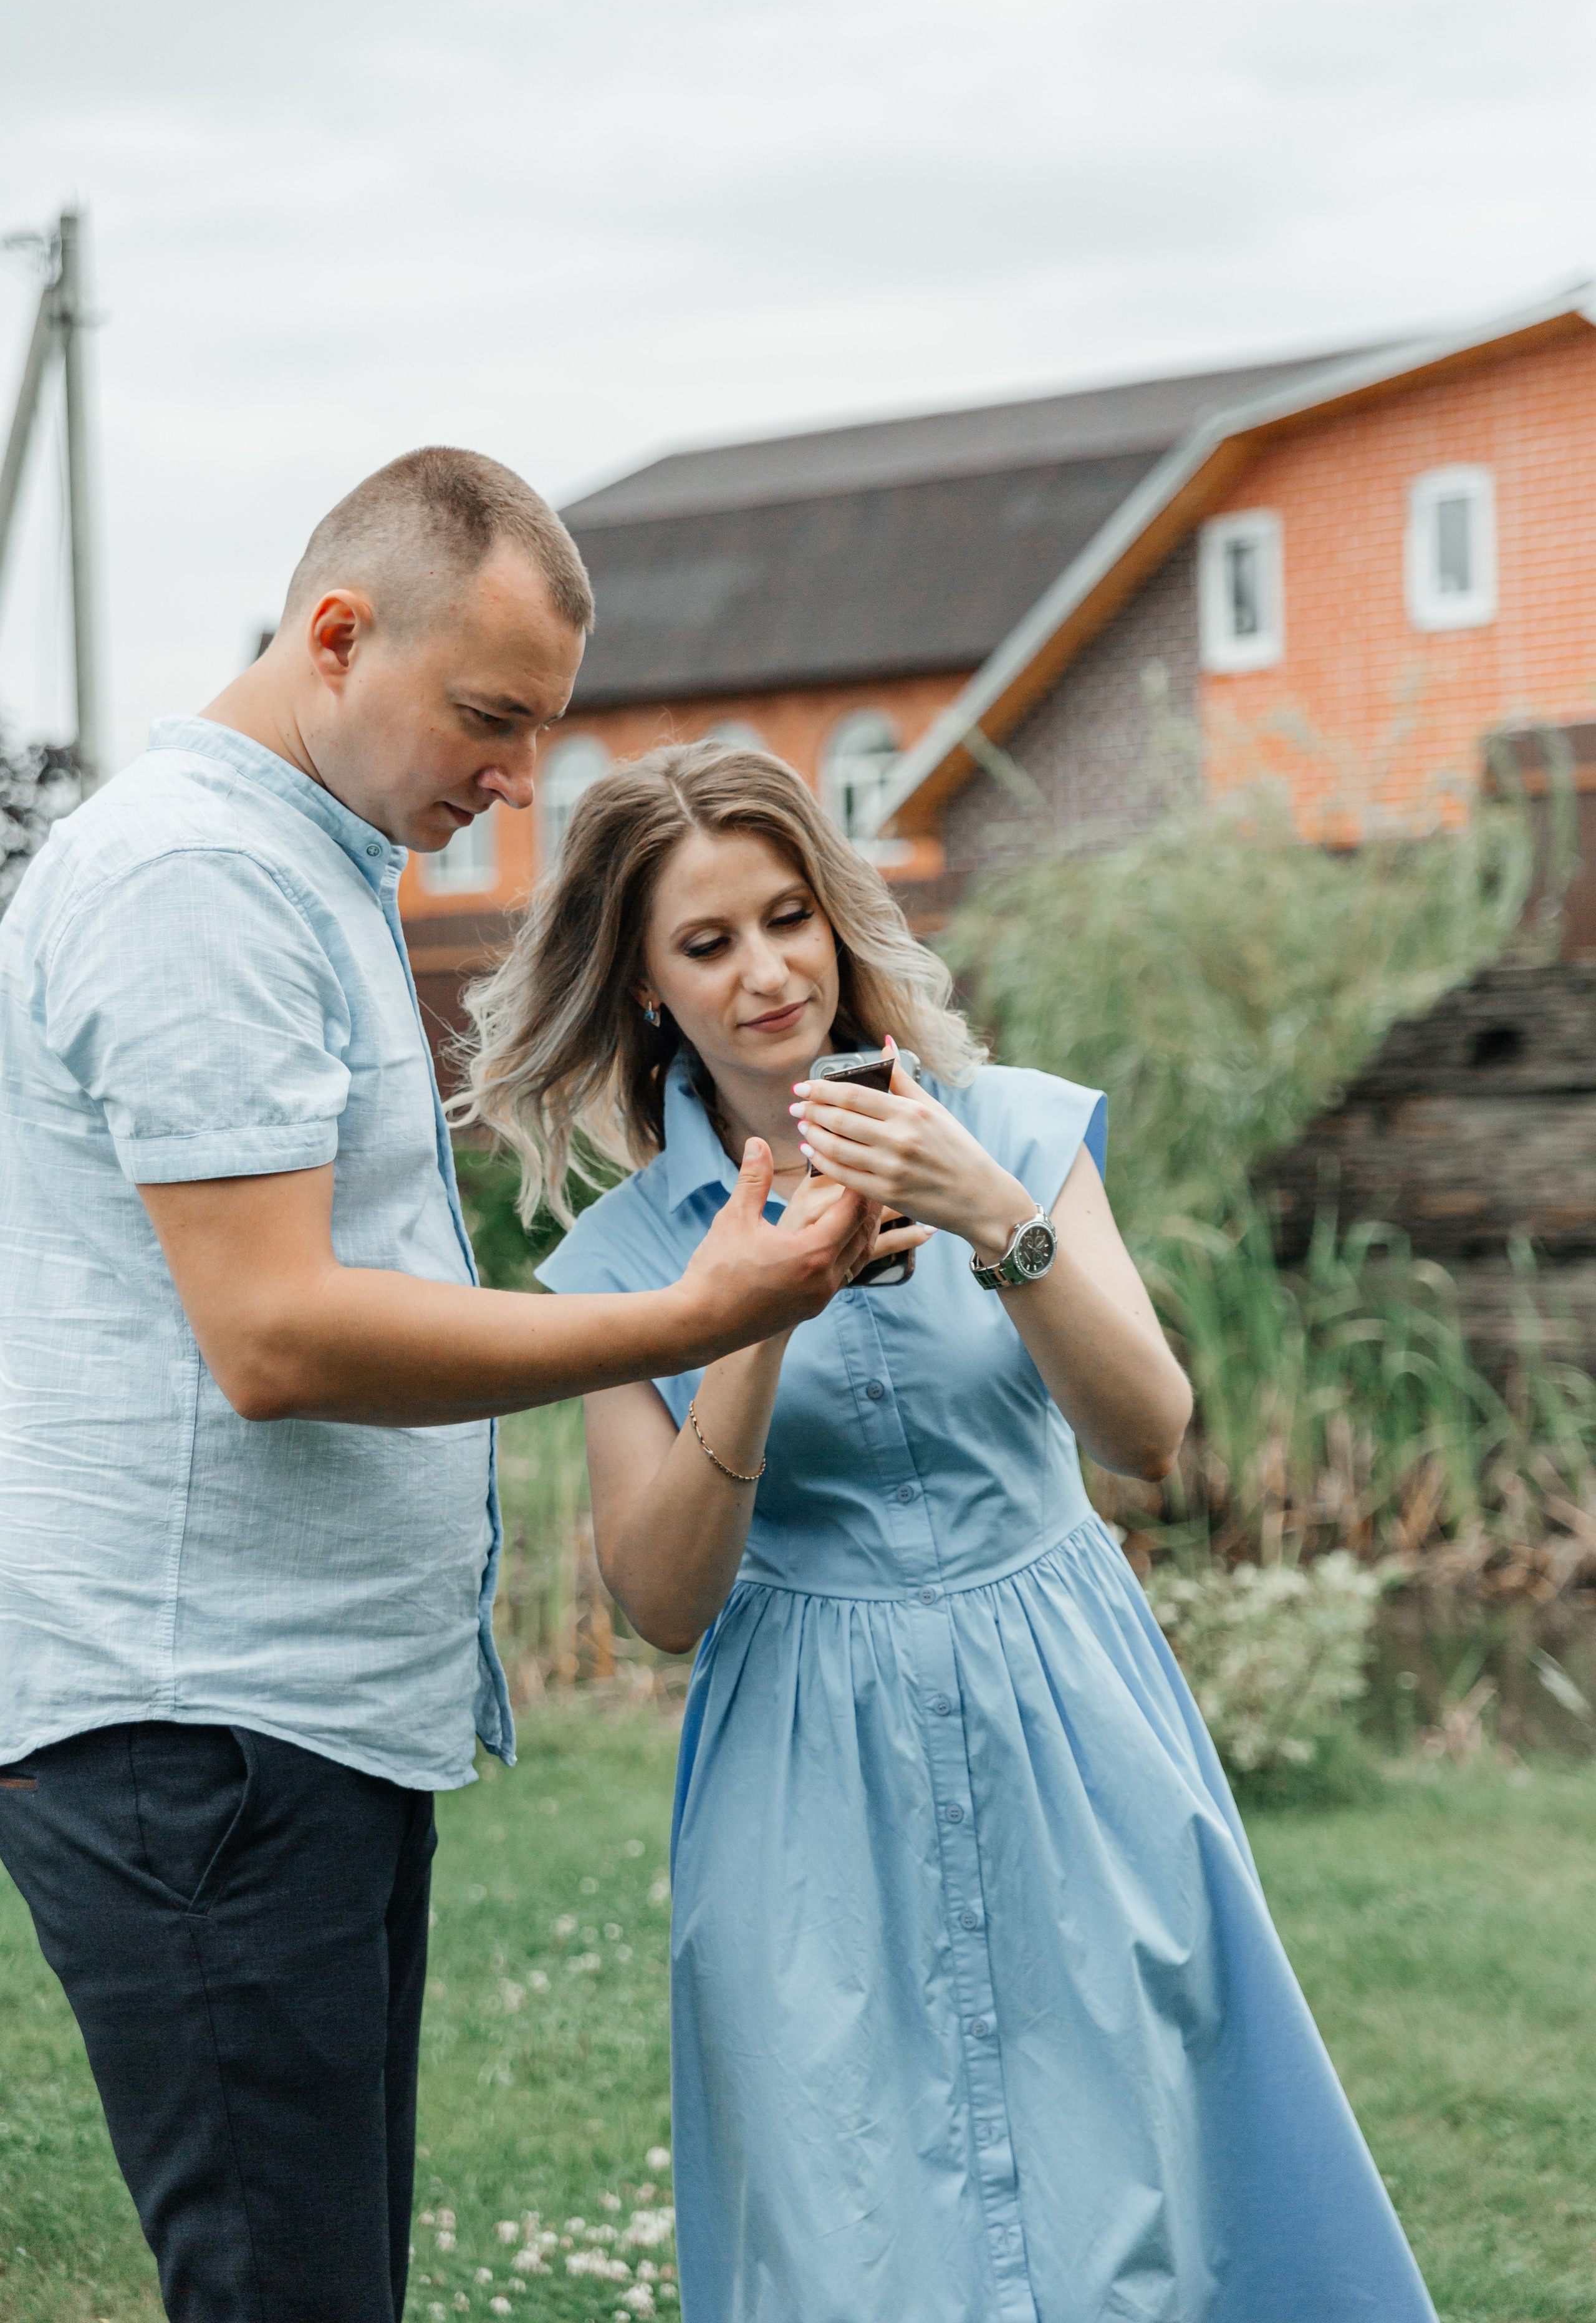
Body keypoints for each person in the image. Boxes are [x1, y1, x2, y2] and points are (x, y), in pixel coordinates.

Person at [0, 451, 878, 2323]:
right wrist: (708, 1308)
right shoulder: (193, 883)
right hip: (200, 1729)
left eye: (543, 730)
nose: (517, 781)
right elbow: (279, 1335)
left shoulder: (298, 865)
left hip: (279, 1726)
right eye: (492, 719)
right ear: (337, 636)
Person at [461, 740, 1438, 2323]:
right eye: (705, 945)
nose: (767, 973)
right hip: (802, 1771)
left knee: (1139, 2209)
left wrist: (994, 1214)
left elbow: (1146, 1435)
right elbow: (658, 1599)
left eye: (787, 917)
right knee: (849, 2233)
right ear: (644, 987)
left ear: (836, 918)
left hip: (1067, 1717)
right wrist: (756, 1312)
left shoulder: (1018, 1130)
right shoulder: (627, 1253)